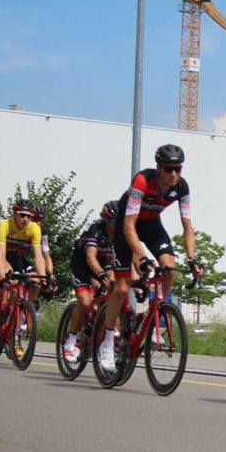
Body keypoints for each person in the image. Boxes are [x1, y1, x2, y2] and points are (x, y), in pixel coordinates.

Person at [97, 143, 202, 373]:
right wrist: (142, 256)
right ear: (159, 168)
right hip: (129, 226)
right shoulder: (143, 181)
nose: (174, 174)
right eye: (168, 169)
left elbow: (188, 227)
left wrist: (192, 258)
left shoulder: (181, 187)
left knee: (170, 269)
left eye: (178, 168)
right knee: (122, 289)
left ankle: (151, 317)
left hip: (152, 226)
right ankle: (106, 343)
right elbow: (127, 225)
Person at [62, 201, 118, 363]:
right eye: (115, 221)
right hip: (83, 265)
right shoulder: (95, 229)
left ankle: (104, 331)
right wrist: (100, 275)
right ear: (107, 220)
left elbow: (132, 256)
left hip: (104, 261)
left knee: (115, 292)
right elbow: (90, 257)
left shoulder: (122, 230)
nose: (119, 224)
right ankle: (70, 341)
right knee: (86, 302)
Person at [0, 198, 44, 332]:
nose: (25, 219)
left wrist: (43, 277)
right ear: (15, 214)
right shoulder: (5, 224)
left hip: (14, 252)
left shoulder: (35, 228)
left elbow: (39, 256)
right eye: (22, 215)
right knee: (7, 273)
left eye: (29, 216)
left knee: (27, 283)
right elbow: (1, 254)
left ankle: (15, 315)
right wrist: (2, 276)